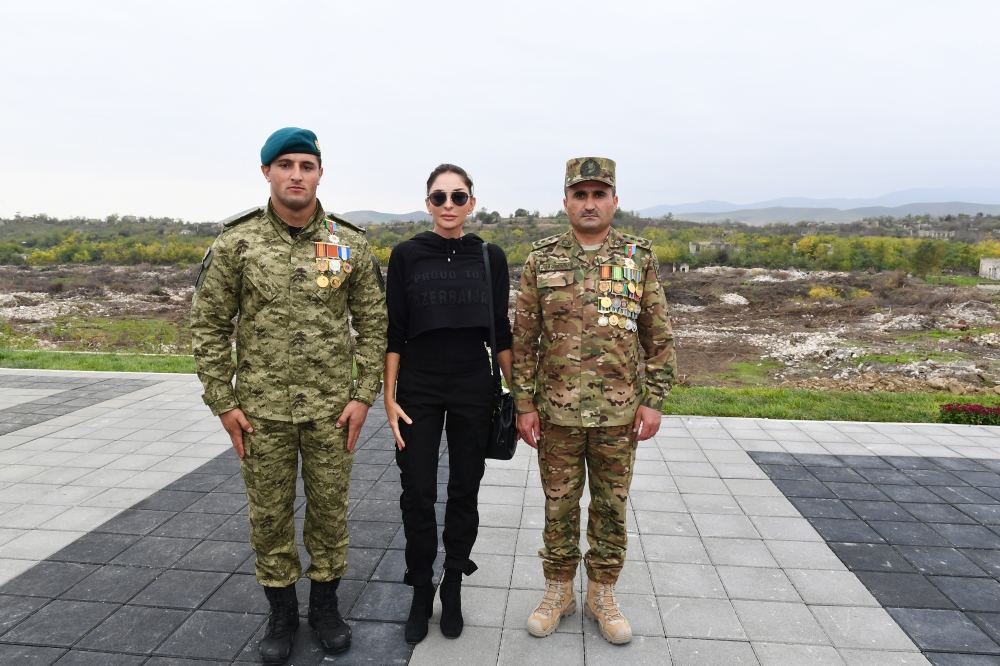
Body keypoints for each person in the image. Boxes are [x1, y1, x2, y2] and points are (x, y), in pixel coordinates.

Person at [190, 127, 387, 664]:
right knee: (269, 516)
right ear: (267, 173)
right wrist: (224, 403)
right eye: (285, 165)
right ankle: (280, 612)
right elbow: (208, 325)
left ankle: (324, 607)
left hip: (331, 410)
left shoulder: (348, 243)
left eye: (306, 164)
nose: (296, 174)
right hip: (261, 413)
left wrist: (363, 395)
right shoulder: (238, 242)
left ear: (320, 172)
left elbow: (373, 325)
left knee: (329, 512)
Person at [512, 157, 676, 645]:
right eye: (579, 195)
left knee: (611, 506)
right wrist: (524, 404)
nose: (589, 203)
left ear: (614, 202)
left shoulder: (637, 258)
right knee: (558, 505)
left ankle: (601, 593)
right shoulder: (541, 259)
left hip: (618, 413)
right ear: (565, 202)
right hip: (556, 412)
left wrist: (655, 399)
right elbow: (523, 339)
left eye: (598, 194)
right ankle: (558, 589)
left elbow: (659, 333)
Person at [383, 164, 513, 644]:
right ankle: (421, 587)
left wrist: (516, 394)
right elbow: (394, 332)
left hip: (473, 385)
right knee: (417, 491)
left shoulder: (489, 256)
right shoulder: (406, 255)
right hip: (418, 384)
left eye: (458, 197)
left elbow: (501, 330)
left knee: (464, 490)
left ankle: (453, 582)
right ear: (427, 203)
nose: (449, 206)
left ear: (472, 203)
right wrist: (388, 397)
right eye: (439, 197)